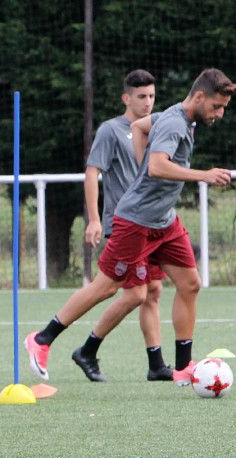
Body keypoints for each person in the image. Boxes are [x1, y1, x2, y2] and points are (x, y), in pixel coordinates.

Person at [25, 68, 236, 385]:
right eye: (216, 107)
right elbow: (157, 165)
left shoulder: (175, 118)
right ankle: (42, 339)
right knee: (106, 287)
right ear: (199, 96)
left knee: (190, 283)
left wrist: (140, 170)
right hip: (135, 221)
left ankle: (182, 367)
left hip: (164, 221)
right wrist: (202, 175)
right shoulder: (175, 122)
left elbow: (139, 127)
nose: (219, 114)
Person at [73, 69, 174, 383]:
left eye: (152, 96)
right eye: (141, 97)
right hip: (124, 223)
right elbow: (92, 173)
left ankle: (156, 364)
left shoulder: (155, 127)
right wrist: (93, 219)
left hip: (150, 223)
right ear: (126, 98)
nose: (147, 103)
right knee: (134, 294)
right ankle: (88, 348)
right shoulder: (110, 130)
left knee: (153, 291)